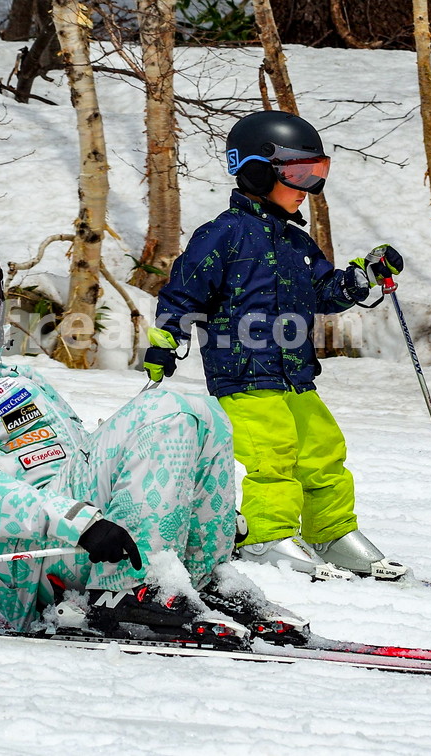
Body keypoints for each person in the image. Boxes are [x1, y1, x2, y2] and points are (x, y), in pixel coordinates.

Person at [0, 230, 308, 646]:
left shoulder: (16, 375)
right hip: (37, 558)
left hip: (86, 532)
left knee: (202, 413)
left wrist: (198, 502)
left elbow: (83, 457)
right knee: (163, 410)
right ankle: (125, 591)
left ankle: (200, 579)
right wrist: (76, 520)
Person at [144, 110, 408, 581]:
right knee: (270, 455)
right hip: (242, 373)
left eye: (316, 174)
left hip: (294, 374)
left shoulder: (297, 242)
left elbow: (324, 291)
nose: (308, 186)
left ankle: (331, 533)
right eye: (298, 174)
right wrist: (168, 335)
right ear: (256, 171)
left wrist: (361, 278)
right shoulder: (222, 234)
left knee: (323, 450)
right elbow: (185, 288)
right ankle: (267, 536)